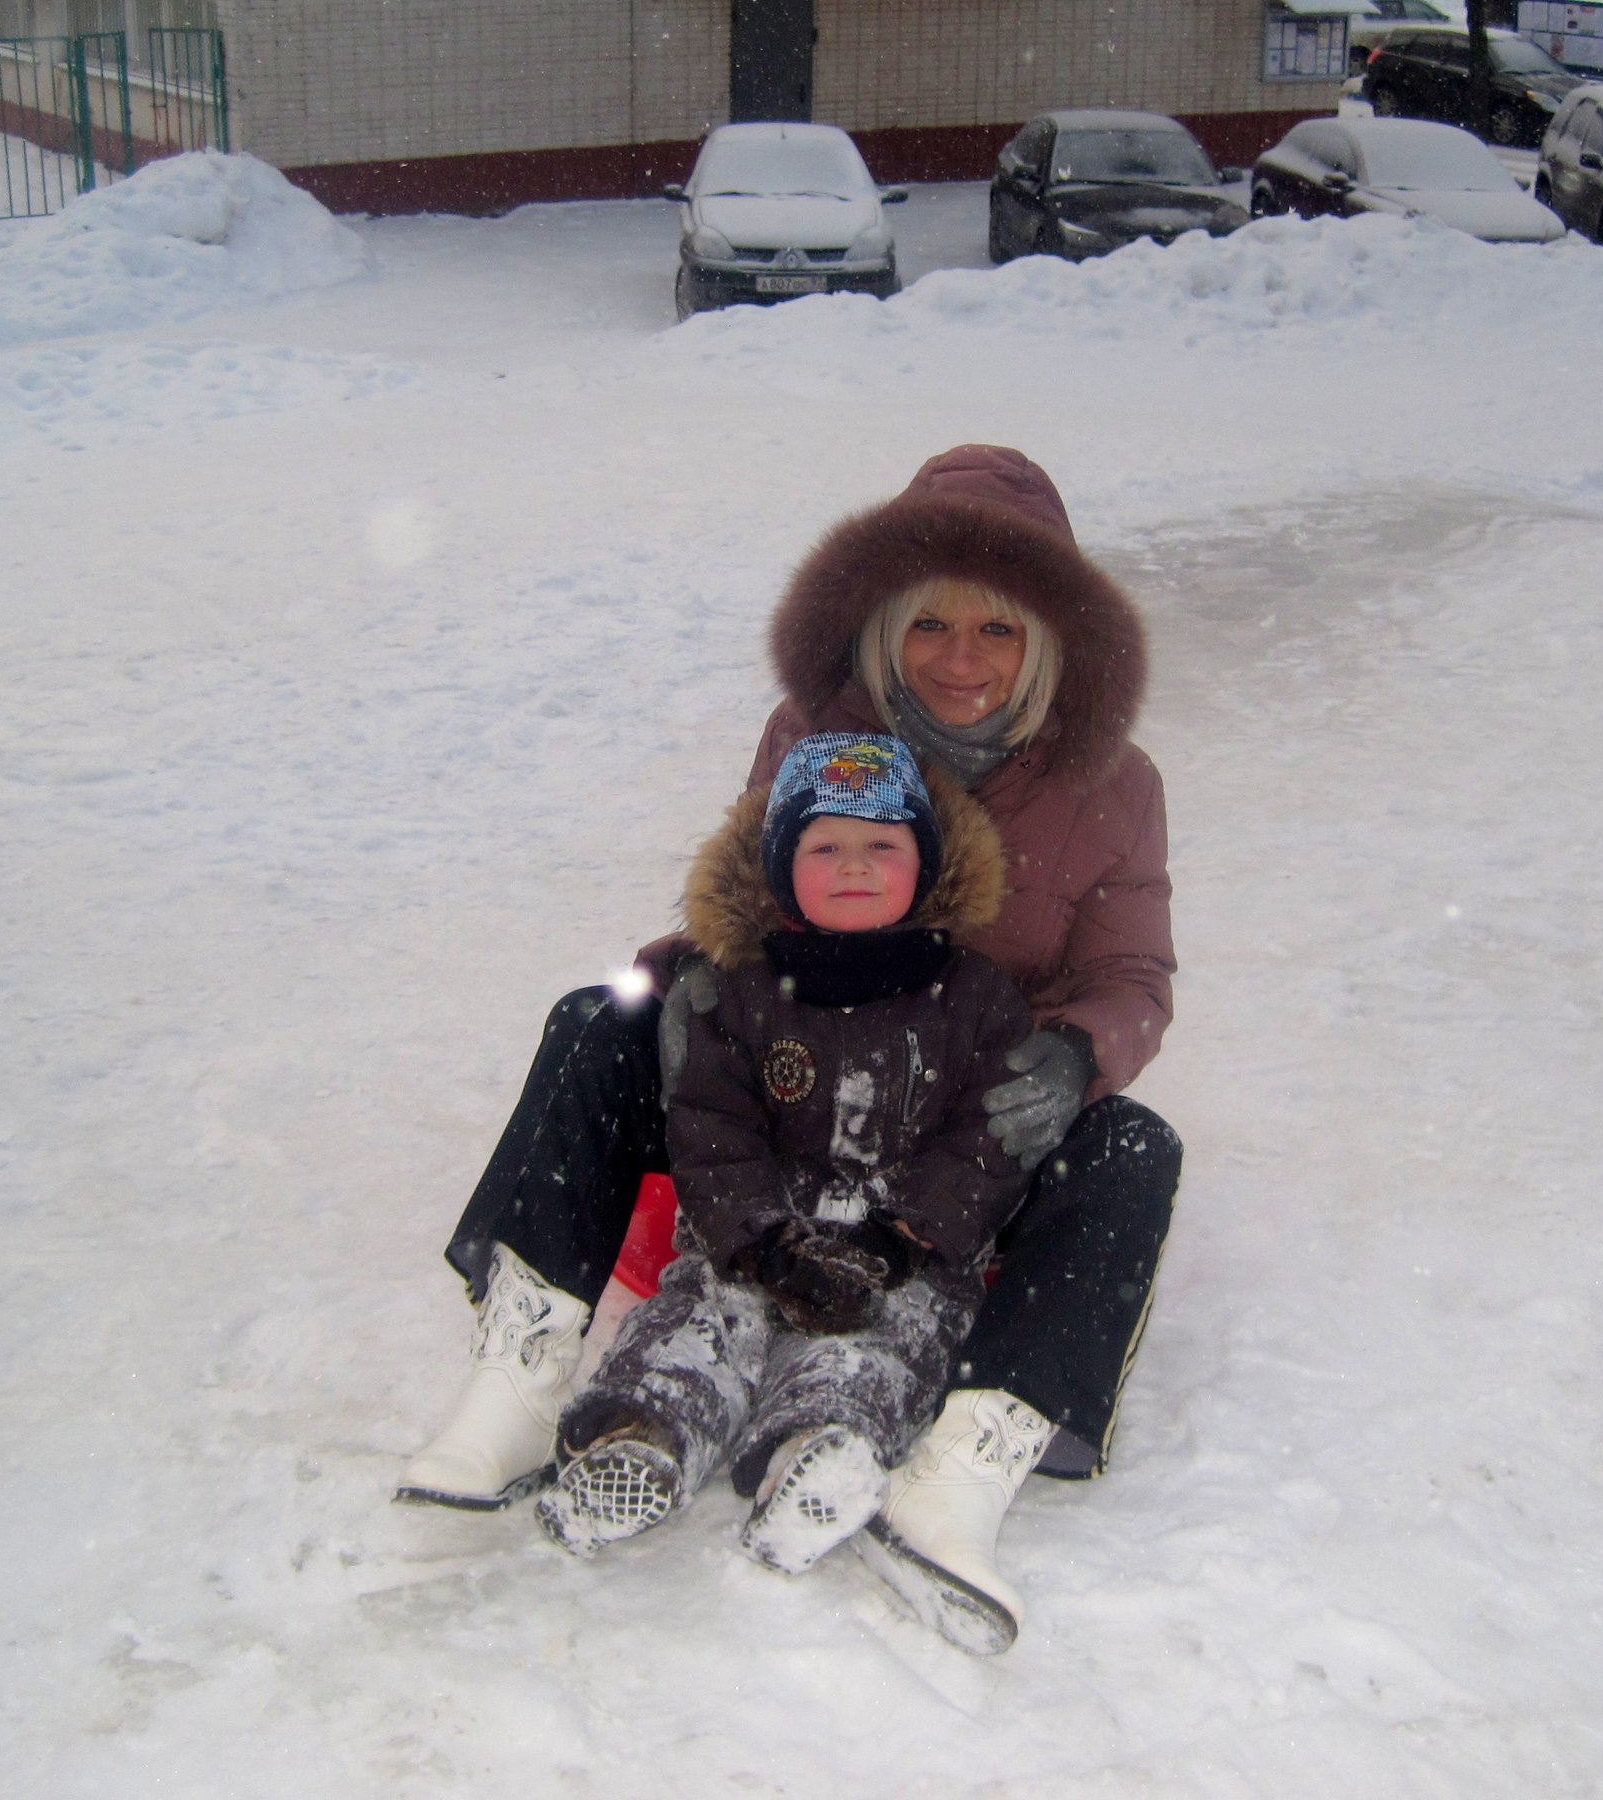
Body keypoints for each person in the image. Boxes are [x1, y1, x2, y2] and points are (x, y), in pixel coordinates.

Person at [400, 445, 1180, 1656]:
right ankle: (520, 1375)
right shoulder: (816, 731)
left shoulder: (1114, 784)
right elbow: (754, 891)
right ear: (882, 621)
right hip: (793, 1090)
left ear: (1046, 640)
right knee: (599, 1013)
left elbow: (1133, 975)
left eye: (996, 628)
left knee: (1131, 1145)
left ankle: (964, 1471)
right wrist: (680, 972)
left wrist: (1081, 1050)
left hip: (965, 1124)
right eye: (929, 623)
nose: (960, 659)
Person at [534, 733, 1031, 1579]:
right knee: (699, 1322)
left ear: (927, 864)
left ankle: (816, 1456)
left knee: (874, 1349)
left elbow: (985, 1143)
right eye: (824, 847)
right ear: (779, 866)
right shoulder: (737, 988)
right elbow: (712, 1129)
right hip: (755, 1240)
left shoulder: (977, 997)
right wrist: (761, 1245)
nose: (855, 866)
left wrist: (906, 1238)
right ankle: (640, 1440)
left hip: (901, 1256)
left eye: (883, 846)